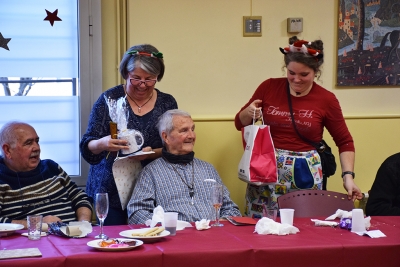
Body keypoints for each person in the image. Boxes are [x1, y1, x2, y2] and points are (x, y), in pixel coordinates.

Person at [234, 36, 362, 218]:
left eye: (304, 75)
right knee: (261, 225)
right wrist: (250, 111)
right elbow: (239, 123)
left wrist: (348, 177)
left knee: (302, 225)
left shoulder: (326, 99)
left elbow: (345, 141)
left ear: (316, 72)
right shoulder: (269, 87)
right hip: (266, 170)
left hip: (304, 172)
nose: (296, 79)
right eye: (291, 73)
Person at [80, 44, 178, 225]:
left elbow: (174, 147)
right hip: (110, 188)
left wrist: (151, 153)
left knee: (151, 241)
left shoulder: (167, 102)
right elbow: (87, 147)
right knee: (115, 244)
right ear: (125, 73)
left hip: (151, 189)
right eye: (136, 78)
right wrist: (103, 143)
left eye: (150, 79)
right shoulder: (109, 99)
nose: (142, 85)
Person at [127, 109, 241, 224]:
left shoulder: (208, 169)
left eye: (192, 129)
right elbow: (136, 213)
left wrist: (220, 223)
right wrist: (167, 225)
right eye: (184, 130)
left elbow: (231, 209)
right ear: (166, 137)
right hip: (175, 238)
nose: (191, 135)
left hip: (212, 237)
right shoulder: (151, 172)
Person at [0, 121, 92, 228]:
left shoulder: (51, 167)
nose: (37, 148)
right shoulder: (2, 180)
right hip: (34, 241)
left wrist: (83, 224)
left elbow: (79, 197)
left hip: (73, 236)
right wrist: (37, 224)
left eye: (37, 141)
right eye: (28, 143)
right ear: (7, 150)